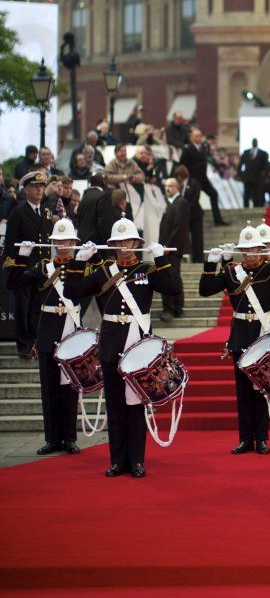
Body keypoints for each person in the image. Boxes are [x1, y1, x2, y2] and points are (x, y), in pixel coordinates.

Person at [64, 218, 178, 477]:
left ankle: (137, 459)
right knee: (115, 406)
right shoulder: (105, 272)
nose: (124, 246)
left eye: (129, 241)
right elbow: (72, 291)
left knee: (136, 404)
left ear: (136, 243)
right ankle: (118, 460)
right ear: (113, 245)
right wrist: (79, 261)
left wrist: (161, 258)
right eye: (119, 242)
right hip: (112, 343)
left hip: (138, 345)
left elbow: (173, 288)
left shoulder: (147, 270)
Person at [199, 224, 270, 454]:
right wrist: (211, 263)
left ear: (260, 248)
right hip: (240, 334)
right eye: (244, 250)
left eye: (253, 249)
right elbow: (205, 290)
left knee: (262, 389)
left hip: (262, 333)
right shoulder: (233, 272)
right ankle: (245, 439)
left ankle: (262, 438)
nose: (249, 254)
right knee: (243, 390)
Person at [8, 218, 83, 455]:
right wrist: (21, 257)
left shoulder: (80, 266)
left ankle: (70, 437)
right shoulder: (43, 267)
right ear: (52, 242)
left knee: (70, 387)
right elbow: (14, 283)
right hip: (48, 330)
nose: (63, 245)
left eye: (67, 241)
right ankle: (52, 439)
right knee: (49, 388)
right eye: (58, 241)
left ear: (73, 242)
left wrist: (94, 260)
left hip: (71, 330)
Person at [2, 171, 54, 358]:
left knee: (37, 309)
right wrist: (14, 267)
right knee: (23, 309)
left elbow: (47, 244)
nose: (40, 190)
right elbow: (10, 244)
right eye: (35, 187)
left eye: (41, 187)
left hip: (41, 270)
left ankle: (35, 343)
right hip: (23, 270)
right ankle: (24, 346)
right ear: (26, 190)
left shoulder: (46, 213)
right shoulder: (18, 212)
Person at [158, 177, 190, 322]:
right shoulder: (172, 203)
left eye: (170, 186)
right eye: (165, 186)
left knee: (170, 278)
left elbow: (179, 228)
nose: (167, 189)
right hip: (167, 248)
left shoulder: (181, 203)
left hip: (171, 249)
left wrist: (169, 247)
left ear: (177, 187)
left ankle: (171, 308)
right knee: (172, 278)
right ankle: (176, 308)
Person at [181, 127, 226, 225]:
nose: (199, 138)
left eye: (200, 136)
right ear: (191, 137)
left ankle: (218, 220)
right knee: (193, 201)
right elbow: (182, 164)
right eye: (196, 136)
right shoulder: (188, 149)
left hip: (203, 179)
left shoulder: (203, 148)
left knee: (213, 194)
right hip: (193, 180)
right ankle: (188, 221)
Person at [174, 164, 203, 262]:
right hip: (184, 216)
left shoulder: (194, 183)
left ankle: (198, 259)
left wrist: (187, 209)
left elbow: (196, 198)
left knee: (197, 238)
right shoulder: (179, 186)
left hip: (195, 215)